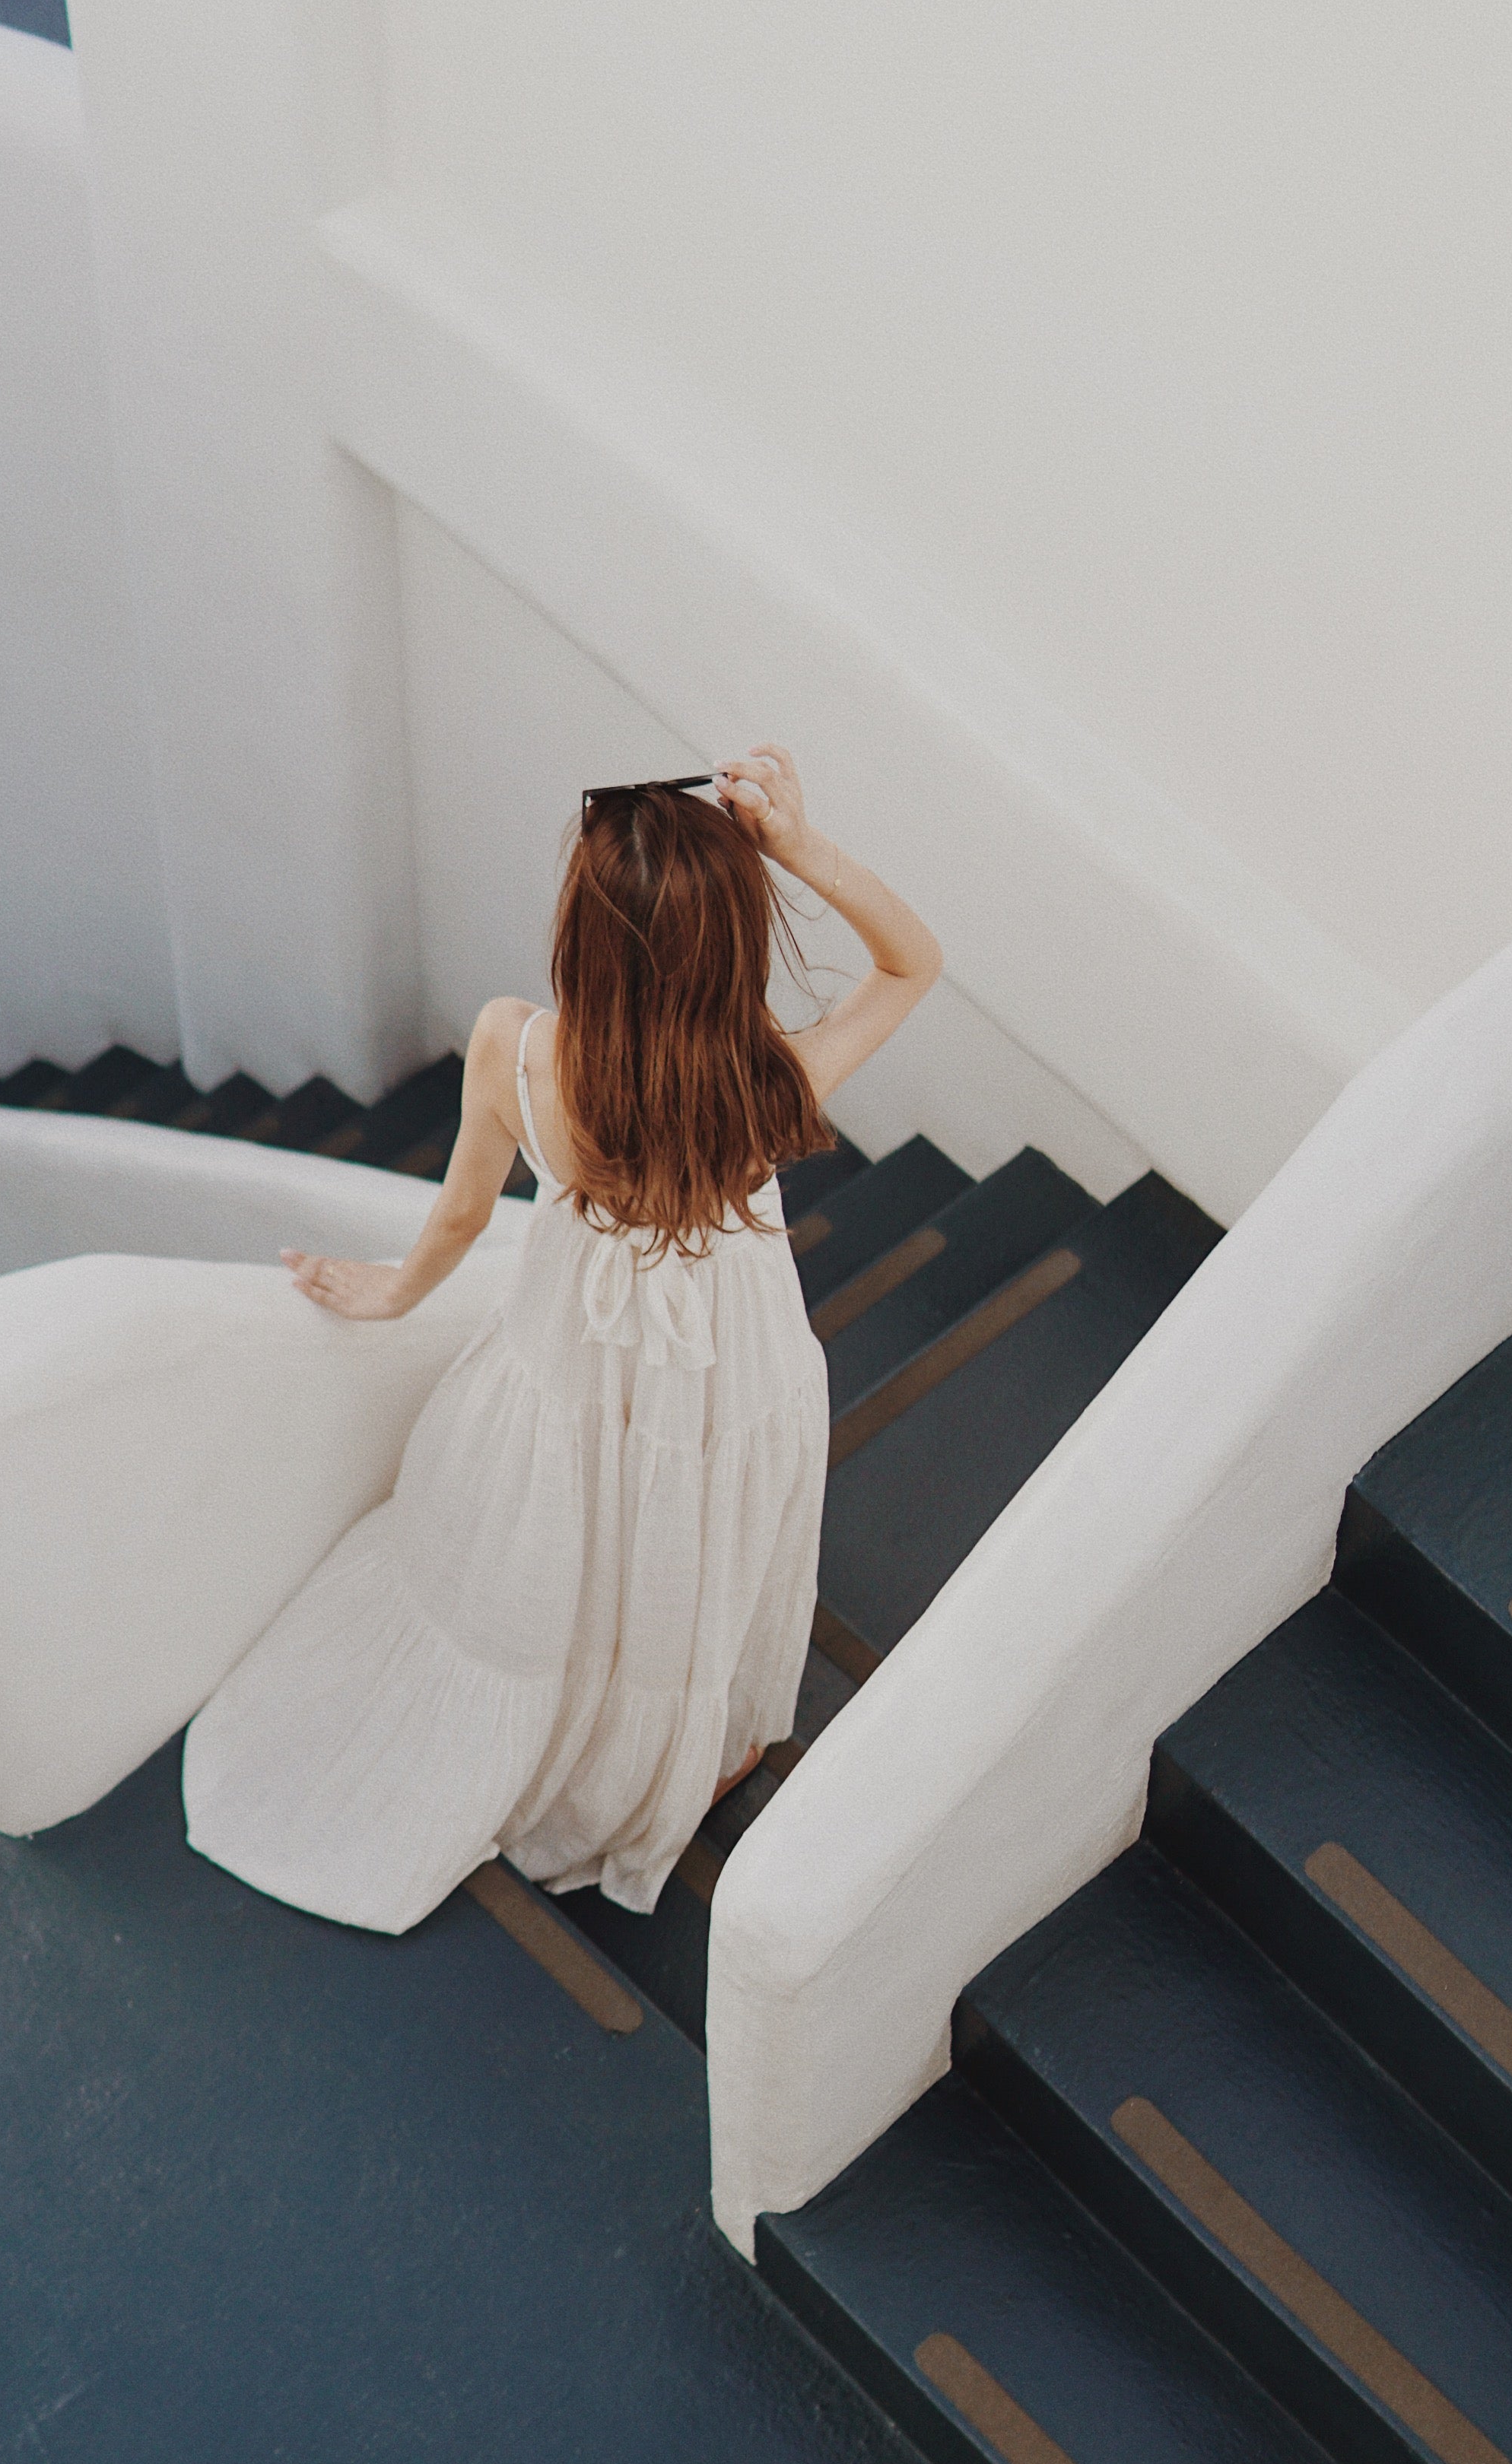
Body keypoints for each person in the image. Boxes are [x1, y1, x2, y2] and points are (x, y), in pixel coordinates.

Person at [181, 743, 943, 1934]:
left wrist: (391, 1295)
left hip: (576, 1347)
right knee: (685, 1528)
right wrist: (801, 845)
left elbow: (463, 1214)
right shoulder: (761, 1084)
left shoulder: (515, 1051)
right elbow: (912, 964)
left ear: (585, 941)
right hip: (722, 1360)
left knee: (573, 1518)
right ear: (729, 950)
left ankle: (574, 1727)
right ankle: (678, 1748)